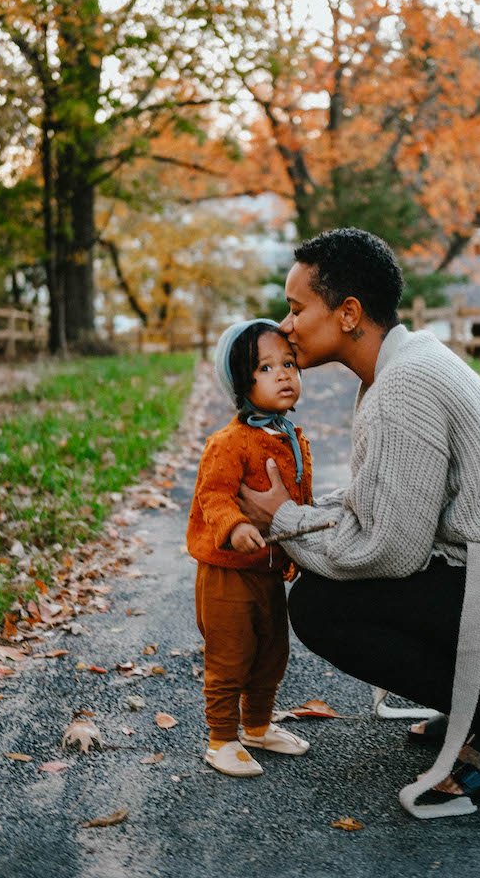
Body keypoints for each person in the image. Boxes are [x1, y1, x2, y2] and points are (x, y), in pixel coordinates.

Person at [236, 229, 480, 818]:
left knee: (321, 607)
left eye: (296, 309)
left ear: (347, 313)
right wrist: (299, 516)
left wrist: (284, 520)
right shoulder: (405, 366)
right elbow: (384, 506)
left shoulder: (402, 386)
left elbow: (391, 552)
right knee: (343, 589)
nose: (285, 326)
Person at [186, 319, 312, 777]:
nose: (284, 374)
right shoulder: (228, 442)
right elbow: (213, 495)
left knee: (272, 651)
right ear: (241, 381)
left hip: (267, 570)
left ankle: (257, 725)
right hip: (227, 571)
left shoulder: (290, 438)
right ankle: (221, 737)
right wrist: (234, 526)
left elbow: (298, 501)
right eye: (266, 367)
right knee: (231, 655)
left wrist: (300, 549)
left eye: (290, 363)